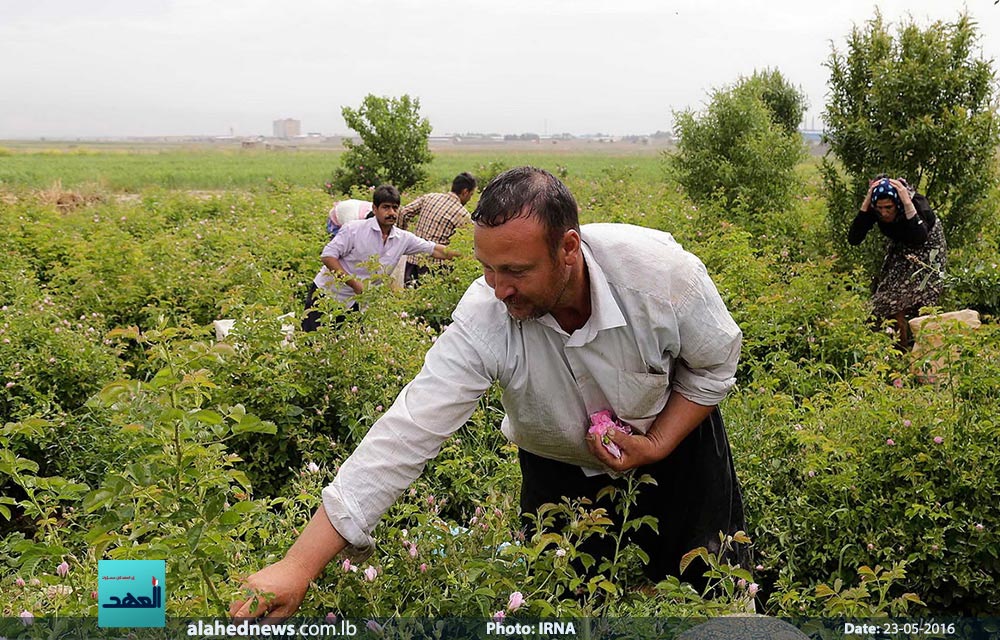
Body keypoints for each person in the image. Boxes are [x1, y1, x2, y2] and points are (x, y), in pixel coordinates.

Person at [233, 167, 746, 618]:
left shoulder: (661, 279)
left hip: (678, 455)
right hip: (557, 479)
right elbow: (409, 429)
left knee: (711, 596)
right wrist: (296, 566)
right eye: (487, 268)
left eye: (517, 271)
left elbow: (713, 366)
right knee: (566, 607)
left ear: (568, 248)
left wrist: (656, 445)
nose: (499, 289)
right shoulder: (487, 313)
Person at [301, 185, 460, 331]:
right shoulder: (354, 230)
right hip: (326, 296)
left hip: (354, 304)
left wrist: (468, 255)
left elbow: (434, 250)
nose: (391, 213)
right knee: (312, 345)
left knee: (346, 350)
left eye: (395, 208)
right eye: (386, 207)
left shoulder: (402, 238)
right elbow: (328, 256)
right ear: (375, 208)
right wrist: (353, 283)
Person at [848, 176, 946, 349]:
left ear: (897, 203)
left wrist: (907, 203)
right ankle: (898, 351)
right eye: (880, 208)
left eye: (889, 208)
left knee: (923, 300)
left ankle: (924, 352)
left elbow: (919, 237)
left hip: (928, 250)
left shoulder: (916, 204)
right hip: (902, 247)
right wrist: (867, 204)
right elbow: (854, 238)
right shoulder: (877, 206)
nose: (884, 213)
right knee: (886, 300)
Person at [398, 172, 477, 285]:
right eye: (471, 194)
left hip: (412, 260)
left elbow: (403, 213)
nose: (469, 198)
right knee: (429, 299)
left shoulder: (430, 197)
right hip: (434, 268)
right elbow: (471, 243)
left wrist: (402, 236)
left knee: (410, 297)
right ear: (465, 192)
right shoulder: (462, 214)